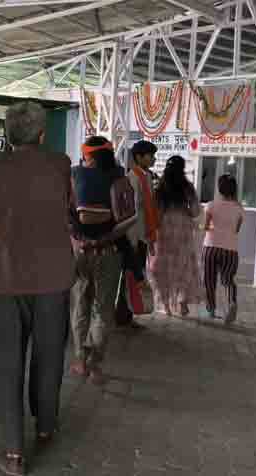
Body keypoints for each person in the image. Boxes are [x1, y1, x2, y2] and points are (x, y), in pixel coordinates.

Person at [0, 102, 75, 476]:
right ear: (41, 134)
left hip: (7, 276)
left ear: (7, 135)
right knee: (49, 355)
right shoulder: (61, 165)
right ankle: (46, 426)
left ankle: (14, 454)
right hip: (54, 277)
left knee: (7, 362)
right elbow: (71, 210)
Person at [69, 136, 137, 386]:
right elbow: (131, 217)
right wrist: (106, 237)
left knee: (79, 304)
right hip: (109, 251)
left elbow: (64, 214)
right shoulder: (121, 178)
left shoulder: (74, 176)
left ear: (87, 154)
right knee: (102, 309)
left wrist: (79, 238)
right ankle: (96, 363)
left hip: (80, 251)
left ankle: (79, 359)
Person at [148, 155, 202, 316]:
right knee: (183, 264)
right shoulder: (188, 187)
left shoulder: (159, 188)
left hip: (164, 228)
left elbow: (155, 211)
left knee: (162, 266)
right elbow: (195, 211)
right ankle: (182, 300)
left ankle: (165, 305)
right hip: (183, 228)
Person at [115, 140, 159, 331]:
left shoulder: (146, 176)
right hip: (134, 235)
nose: (153, 158)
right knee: (131, 276)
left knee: (135, 275)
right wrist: (132, 240)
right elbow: (131, 212)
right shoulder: (133, 178)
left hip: (142, 234)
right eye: (149, 155)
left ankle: (127, 314)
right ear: (138, 157)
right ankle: (123, 316)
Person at [202, 174, 244, 324]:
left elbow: (206, 226)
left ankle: (211, 310)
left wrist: (211, 227)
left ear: (219, 189)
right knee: (228, 279)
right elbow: (236, 230)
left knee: (209, 280)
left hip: (211, 247)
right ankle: (232, 302)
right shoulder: (239, 208)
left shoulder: (211, 205)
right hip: (230, 249)